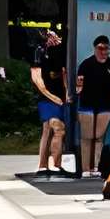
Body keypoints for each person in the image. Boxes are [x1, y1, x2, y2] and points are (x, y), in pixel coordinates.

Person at [73, 35, 110, 191]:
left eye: (106, 49)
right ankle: (85, 169)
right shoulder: (86, 65)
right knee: (87, 137)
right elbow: (79, 86)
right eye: (100, 48)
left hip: (105, 105)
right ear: (95, 49)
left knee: (99, 137)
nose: (104, 52)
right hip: (87, 104)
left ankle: (96, 166)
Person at [29, 22, 71, 175]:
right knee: (57, 128)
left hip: (59, 97)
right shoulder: (39, 52)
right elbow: (37, 80)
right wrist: (52, 97)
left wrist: (66, 93)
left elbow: (64, 73)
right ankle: (52, 165)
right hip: (47, 98)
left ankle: (46, 165)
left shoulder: (59, 53)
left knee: (48, 130)